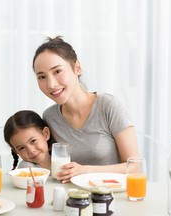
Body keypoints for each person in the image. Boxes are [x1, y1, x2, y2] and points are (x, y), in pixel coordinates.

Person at [32, 36, 139, 183]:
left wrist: (85, 170)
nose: (51, 84)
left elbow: (134, 167)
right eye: (42, 77)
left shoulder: (108, 106)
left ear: (77, 68)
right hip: (72, 198)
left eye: (57, 71)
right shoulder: (50, 117)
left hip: (110, 197)